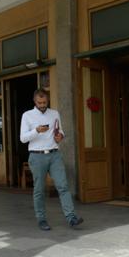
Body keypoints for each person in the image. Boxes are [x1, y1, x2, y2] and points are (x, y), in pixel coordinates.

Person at [20, 89, 84, 230]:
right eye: (39, 102)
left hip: (55, 154)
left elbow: (59, 130)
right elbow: (23, 138)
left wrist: (60, 136)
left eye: (45, 102)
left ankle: (71, 217)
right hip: (37, 156)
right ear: (34, 101)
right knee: (39, 189)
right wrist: (36, 130)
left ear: (48, 100)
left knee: (63, 186)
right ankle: (41, 219)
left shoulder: (54, 113)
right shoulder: (27, 115)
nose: (42, 105)